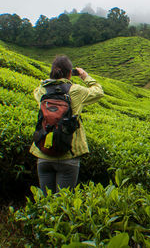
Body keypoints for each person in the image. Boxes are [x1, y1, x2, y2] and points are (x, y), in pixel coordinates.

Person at [29, 55, 104, 195]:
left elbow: (36, 91)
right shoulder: (75, 91)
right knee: (63, 203)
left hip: (43, 153)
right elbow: (99, 91)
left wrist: (48, 81)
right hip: (68, 154)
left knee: (46, 201)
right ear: (70, 72)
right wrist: (85, 76)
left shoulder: (41, 91)